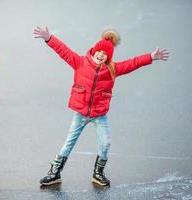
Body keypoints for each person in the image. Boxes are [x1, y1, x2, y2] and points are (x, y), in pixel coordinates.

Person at [33, 26, 169, 188]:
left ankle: (98, 173)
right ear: (94, 51)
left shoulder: (113, 70)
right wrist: (49, 38)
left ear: (108, 57)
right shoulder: (80, 63)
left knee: (106, 143)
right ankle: (55, 173)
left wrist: (151, 57)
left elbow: (132, 63)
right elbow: (64, 51)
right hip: (80, 114)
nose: (100, 55)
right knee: (69, 142)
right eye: (99, 52)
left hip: (99, 115)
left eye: (104, 54)